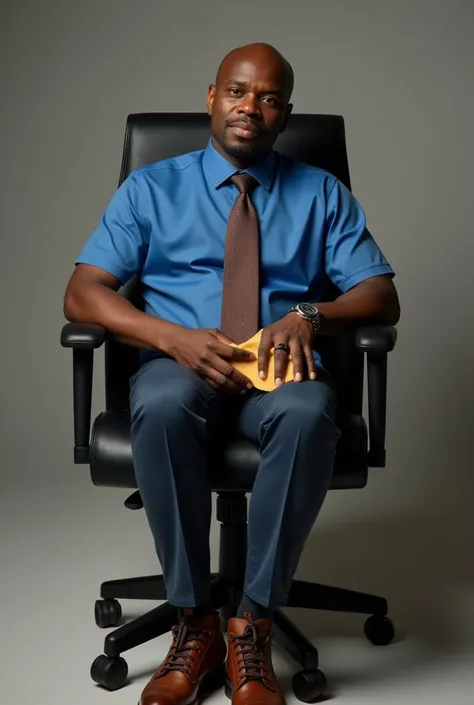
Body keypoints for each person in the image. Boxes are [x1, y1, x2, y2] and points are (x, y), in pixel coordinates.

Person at [64, 42, 400, 705]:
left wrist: (309, 312)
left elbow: (381, 296)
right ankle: (194, 621)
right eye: (239, 91)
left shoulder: (321, 193)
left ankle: (250, 619)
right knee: (158, 405)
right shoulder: (151, 188)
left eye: (270, 98)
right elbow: (83, 293)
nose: (253, 106)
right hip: (179, 364)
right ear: (213, 97)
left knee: (308, 412)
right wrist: (169, 336)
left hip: (280, 370)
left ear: (285, 114)